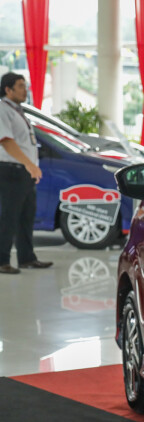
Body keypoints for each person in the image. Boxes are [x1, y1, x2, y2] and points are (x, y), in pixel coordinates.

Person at [0, 72, 51, 275]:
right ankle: (2, 260)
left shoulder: (17, 110)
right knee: (9, 217)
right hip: (11, 170)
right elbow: (5, 140)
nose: (25, 89)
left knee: (26, 216)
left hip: (23, 171)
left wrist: (29, 166)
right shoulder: (3, 109)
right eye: (20, 86)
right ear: (8, 90)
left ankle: (27, 258)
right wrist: (29, 164)